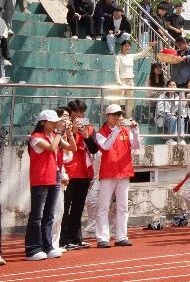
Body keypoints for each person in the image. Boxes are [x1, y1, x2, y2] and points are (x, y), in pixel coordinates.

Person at [95, 104, 140, 247]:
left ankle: (121, 236)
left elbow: (136, 145)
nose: (117, 117)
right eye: (114, 115)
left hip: (124, 172)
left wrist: (135, 131)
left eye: (119, 115)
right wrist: (115, 130)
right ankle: (102, 237)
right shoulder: (101, 133)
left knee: (123, 206)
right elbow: (106, 146)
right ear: (107, 116)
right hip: (108, 172)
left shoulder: (126, 131)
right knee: (104, 206)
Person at [26, 109, 67, 260]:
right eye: (52, 122)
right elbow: (51, 148)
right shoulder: (36, 137)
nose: (55, 124)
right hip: (40, 179)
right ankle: (32, 249)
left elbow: (70, 147)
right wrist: (59, 132)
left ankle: (47, 245)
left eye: (56, 121)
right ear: (43, 122)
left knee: (49, 215)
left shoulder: (53, 135)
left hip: (54, 177)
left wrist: (68, 132)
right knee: (37, 215)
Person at [59, 99, 97, 250]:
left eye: (82, 112)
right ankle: (64, 239)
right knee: (65, 208)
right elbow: (61, 146)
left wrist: (86, 136)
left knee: (78, 207)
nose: (79, 115)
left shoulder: (89, 127)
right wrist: (72, 132)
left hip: (84, 172)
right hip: (68, 172)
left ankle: (76, 237)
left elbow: (94, 149)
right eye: (76, 112)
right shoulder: (62, 127)